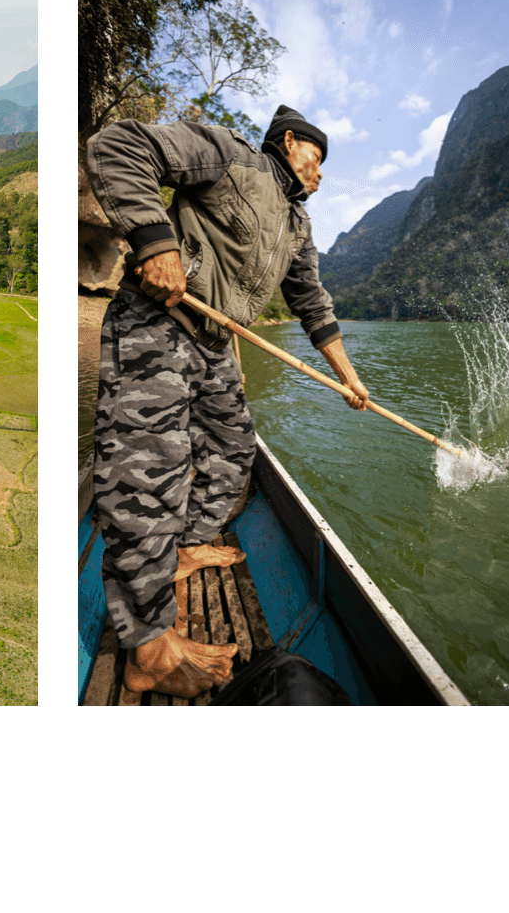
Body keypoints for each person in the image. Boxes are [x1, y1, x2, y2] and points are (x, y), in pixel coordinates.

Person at [84, 105, 370, 698]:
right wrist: (155, 243)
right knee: (146, 477)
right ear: (290, 142)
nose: (320, 176)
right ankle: (147, 647)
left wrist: (349, 378)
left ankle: (185, 547)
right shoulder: (233, 157)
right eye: (318, 160)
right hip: (158, 321)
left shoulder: (296, 227)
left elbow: (313, 306)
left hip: (215, 342)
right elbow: (118, 148)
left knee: (233, 447)